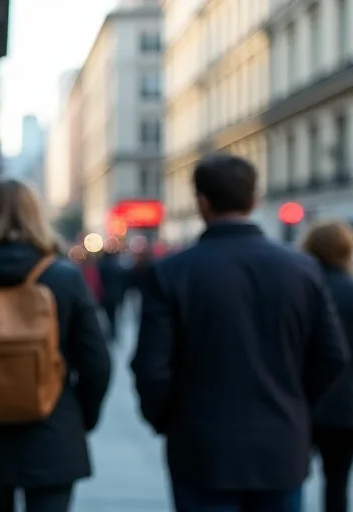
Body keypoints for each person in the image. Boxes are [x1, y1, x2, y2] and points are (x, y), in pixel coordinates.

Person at [130, 153, 350, 512]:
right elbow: (332, 355)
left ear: (202, 202)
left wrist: (171, 420)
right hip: (281, 446)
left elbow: (151, 368)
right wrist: (294, 403)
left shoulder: (172, 272)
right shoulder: (303, 268)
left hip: (201, 447)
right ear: (254, 199)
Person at [0, 178, 112, 512]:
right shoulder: (65, 278)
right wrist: (79, 417)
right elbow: (97, 363)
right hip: (54, 434)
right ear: (37, 217)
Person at [303, 221, 353, 512]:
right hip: (346, 407)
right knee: (337, 483)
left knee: (289, 479)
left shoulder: (302, 290)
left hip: (302, 402)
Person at [97, 250, 126, 340]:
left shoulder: (101, 266)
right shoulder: (117, 266)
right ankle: (113, 332)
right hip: (115, 295)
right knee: (113, 315)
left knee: (107, 315)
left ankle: (109, 331)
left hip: (105, 294)